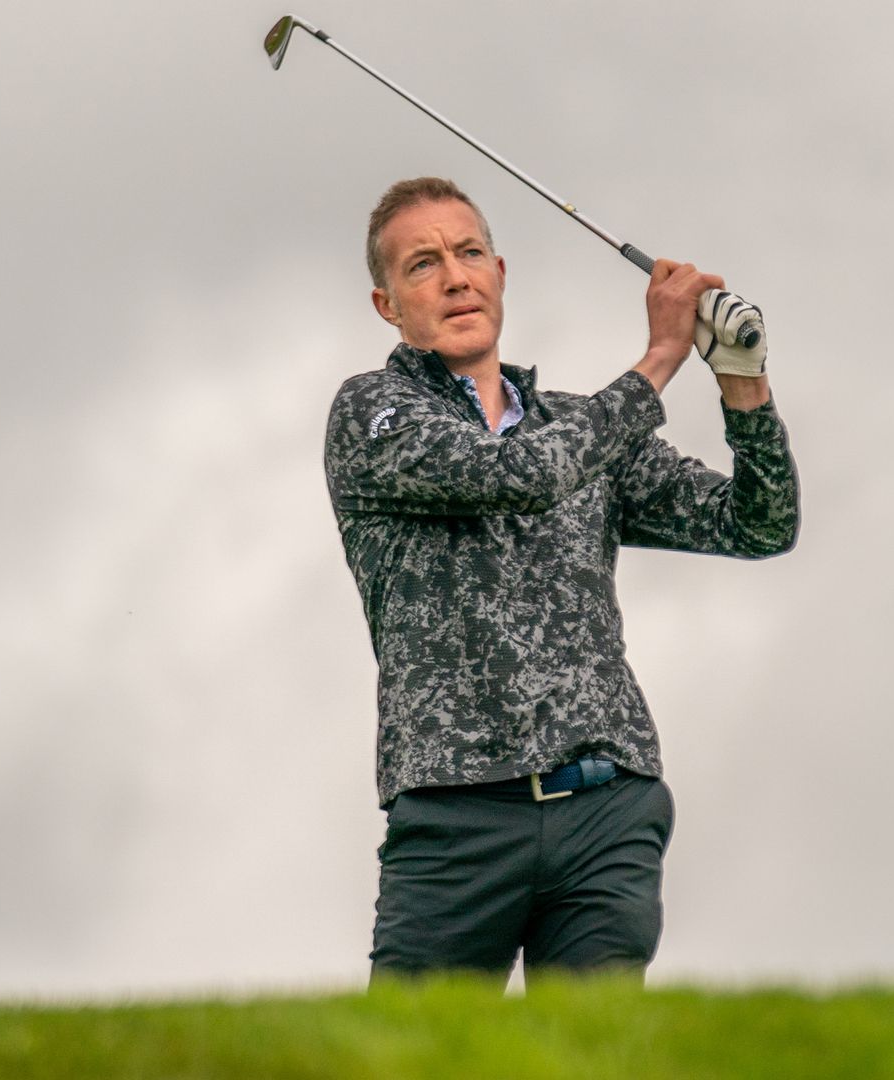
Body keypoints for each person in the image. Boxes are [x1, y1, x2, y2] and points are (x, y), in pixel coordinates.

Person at [323, 177, 799, 984]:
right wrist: (659, 359)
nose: (455, 277)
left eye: (470, 253)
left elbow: (757, 526)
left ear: (501, 272)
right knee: (417, 1060)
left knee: (591, 1053)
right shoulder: (373, 413)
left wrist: (742, 385)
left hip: (607, 805)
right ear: (387, 304)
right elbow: (517, 475)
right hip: (454, 816)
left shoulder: (581, 425)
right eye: (423, 265)